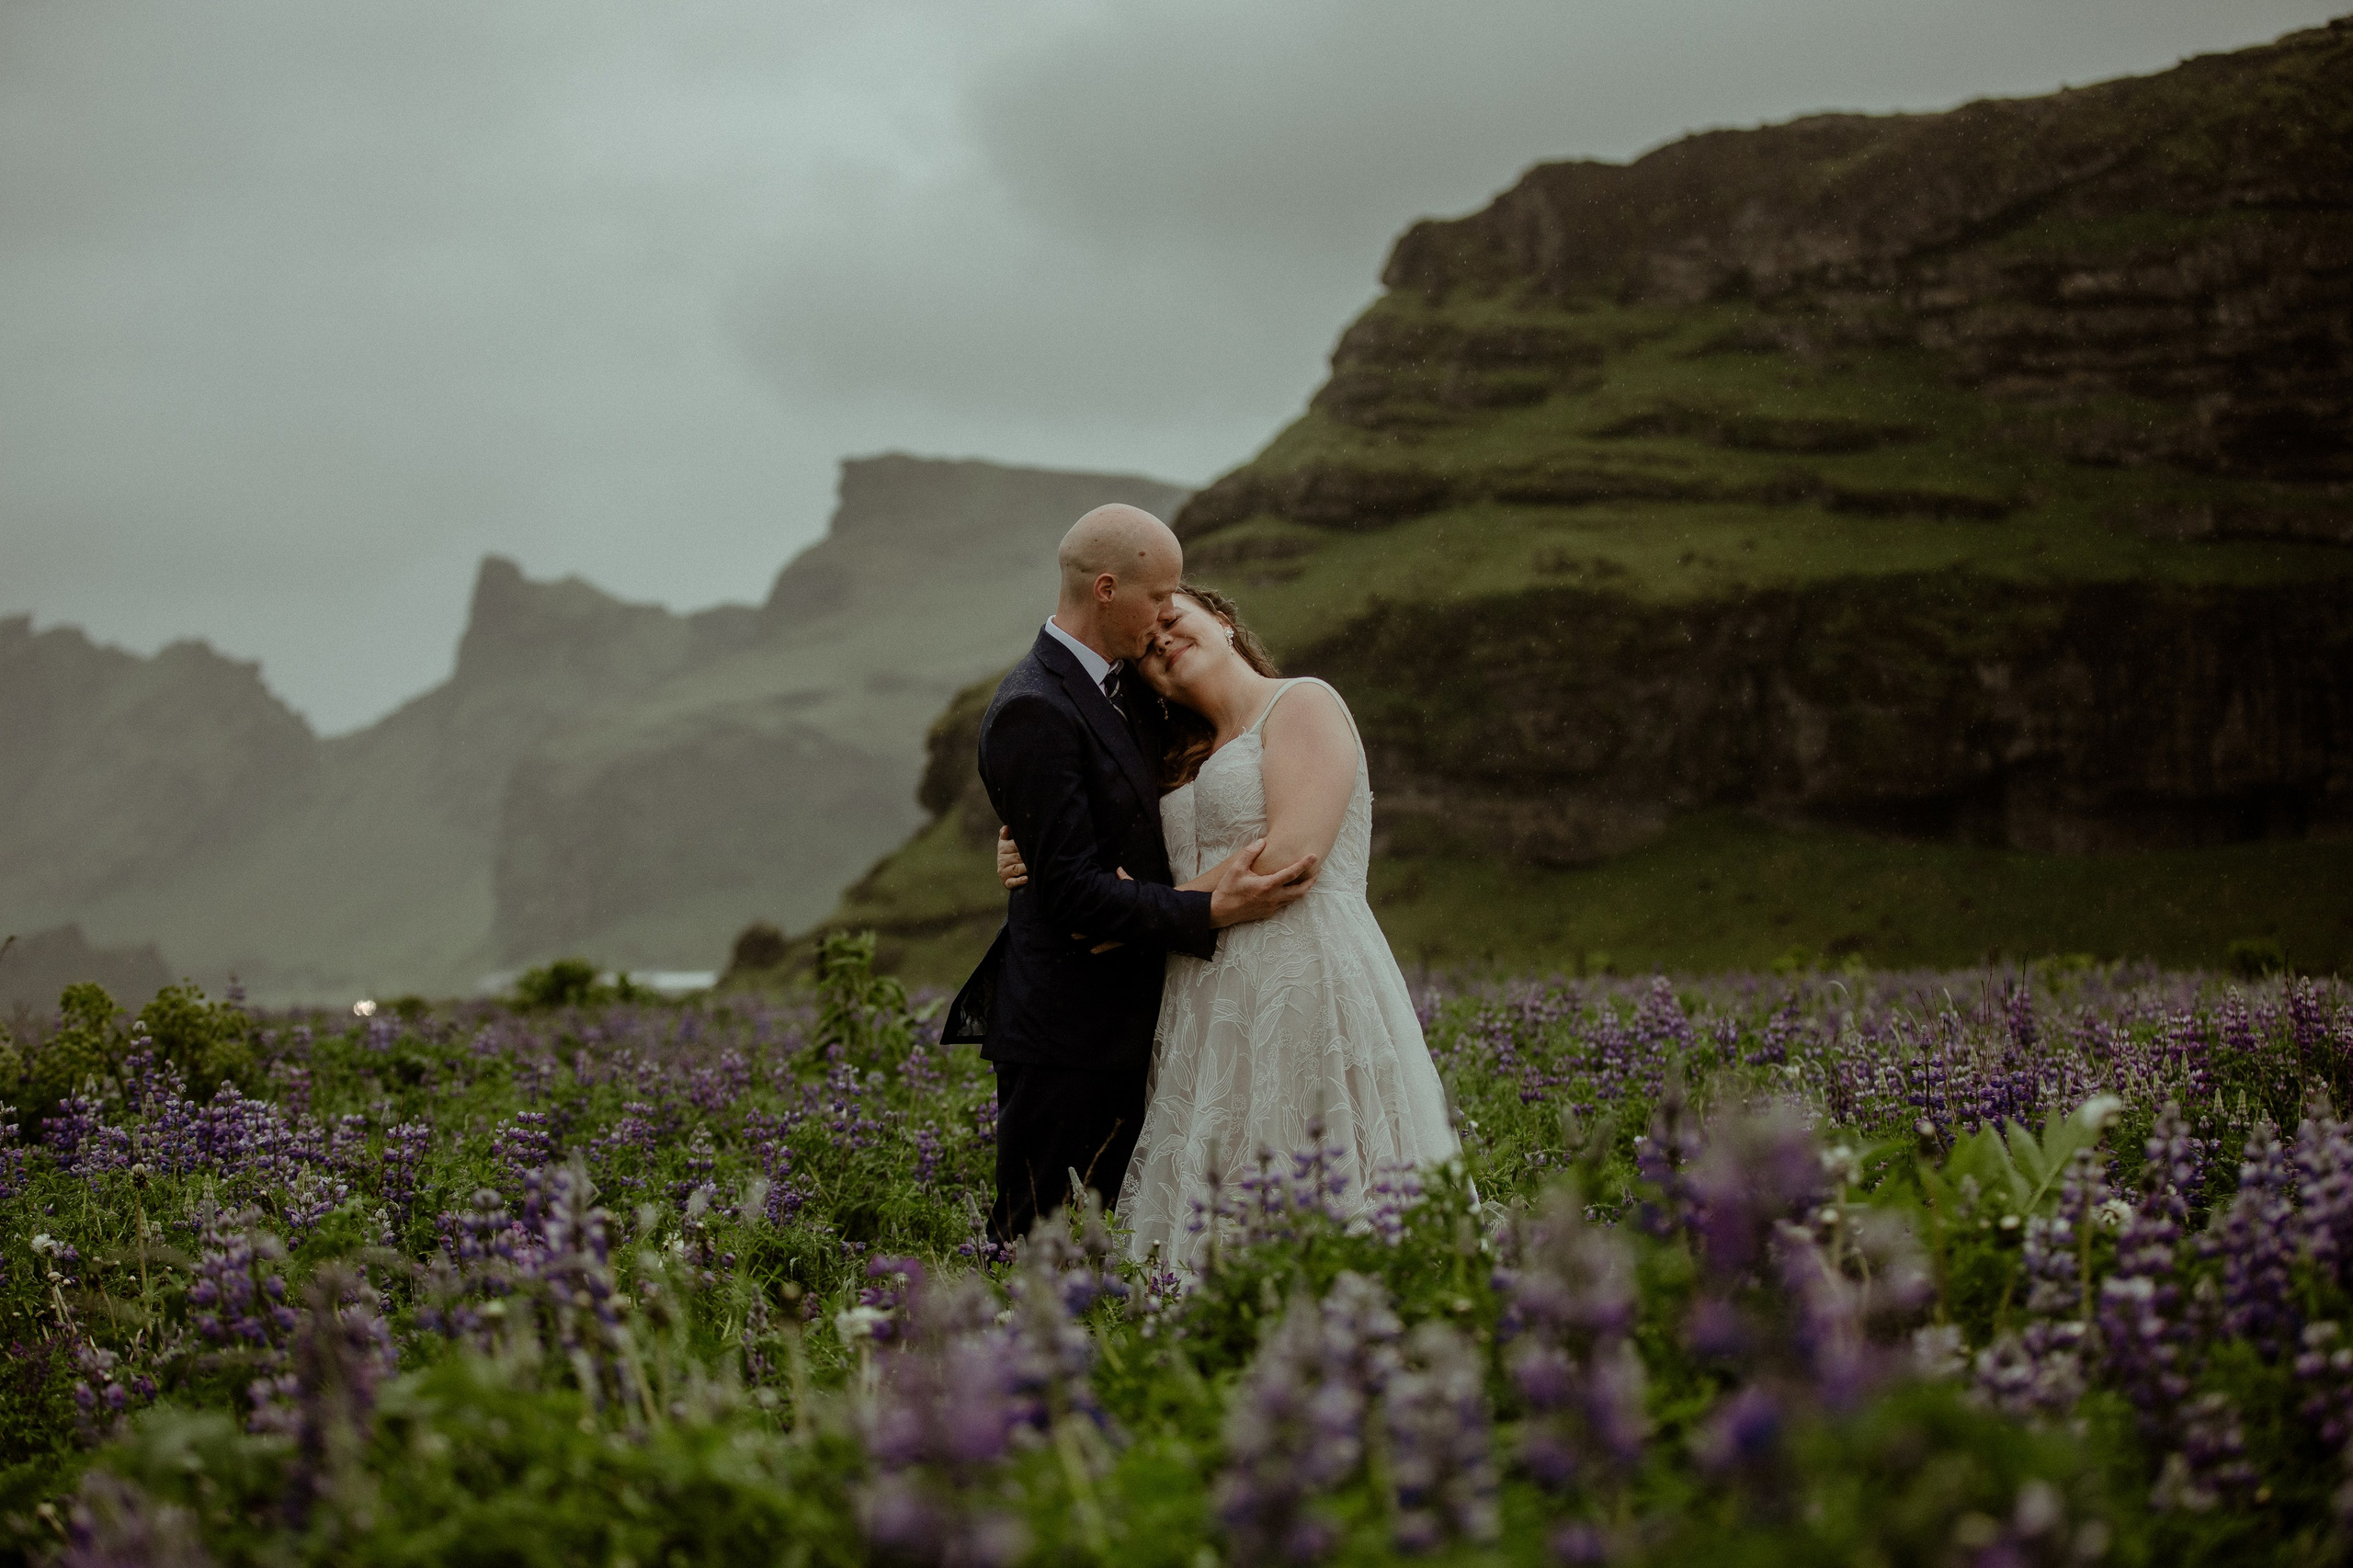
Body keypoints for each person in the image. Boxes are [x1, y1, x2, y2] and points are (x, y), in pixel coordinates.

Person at [992, 582, 1459, 1270]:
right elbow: (1084, 835)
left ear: (1224, 621)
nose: (1161, 642)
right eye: (1147, 648)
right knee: (1219, 1188)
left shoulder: (1302, 701)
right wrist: (1024, 846)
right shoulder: (1170, 758)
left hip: (1305, 972)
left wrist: (1141, 912)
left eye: (1173, 620)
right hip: (1202, 995)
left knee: (1320, 1161)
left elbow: (1290, 857)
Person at [942, 506, 1318, 1246]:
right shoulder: (1032, 708)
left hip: (1143, 1022)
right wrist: (1209, 909)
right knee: (1035, 1246)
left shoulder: (1132, 690)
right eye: (1160, 597)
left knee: (1125, 1245)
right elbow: (1078, 894)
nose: (1169, 614)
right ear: (1108, 590)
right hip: (1064, 1030)